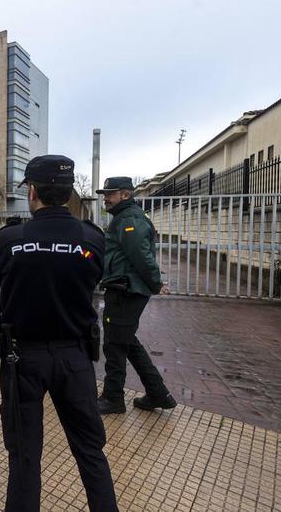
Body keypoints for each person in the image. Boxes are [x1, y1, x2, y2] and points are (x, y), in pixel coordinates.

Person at [0, 155, 118, 512]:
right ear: (68, 191)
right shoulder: (92, 238)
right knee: (90, 452)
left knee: (25, 457)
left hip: (22, 360)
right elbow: (94, 279)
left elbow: (2, 278)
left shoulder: (8, 239)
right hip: (74, 359)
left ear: (32, 191)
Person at [95, 177, 177, 414]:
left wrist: (156, 282)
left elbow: (139, 254)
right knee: (127, 341)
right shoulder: (126, 217)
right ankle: (158, 394)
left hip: (125, 291)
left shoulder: (129, 218)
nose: (105, 199)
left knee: (115, 345)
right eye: (104, 194)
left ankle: (113, 398)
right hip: (125, 288)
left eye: (109, 194)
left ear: (125, 195)